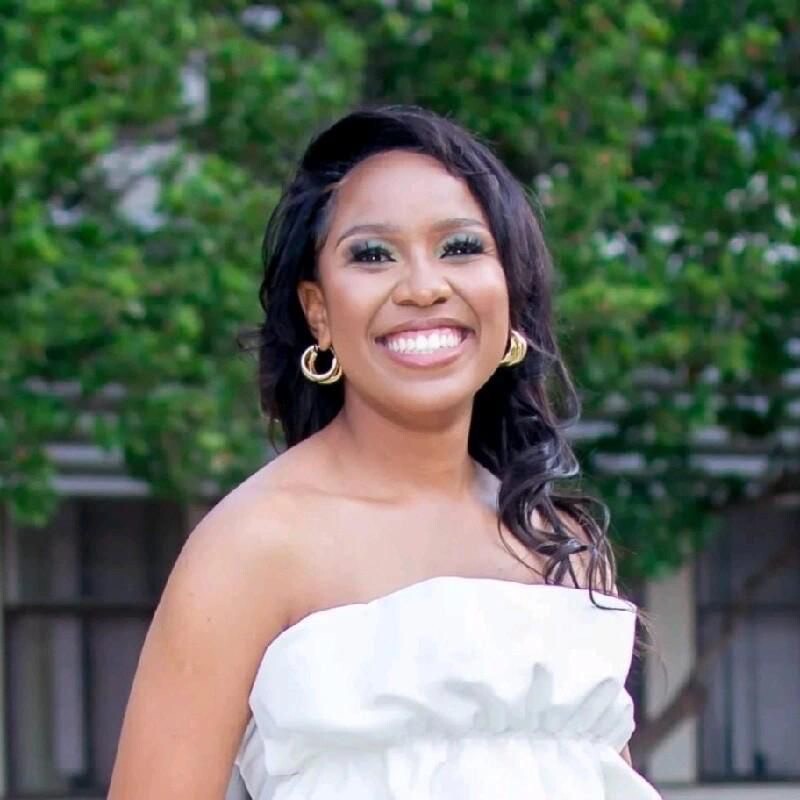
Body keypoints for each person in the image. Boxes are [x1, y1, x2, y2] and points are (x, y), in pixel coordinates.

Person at [108, 104, 662, 799]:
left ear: (510, 294)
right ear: (318, 310)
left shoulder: (562, 546)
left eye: (460, 248)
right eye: (373, 255)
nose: (424, 287)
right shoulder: (254, 545)